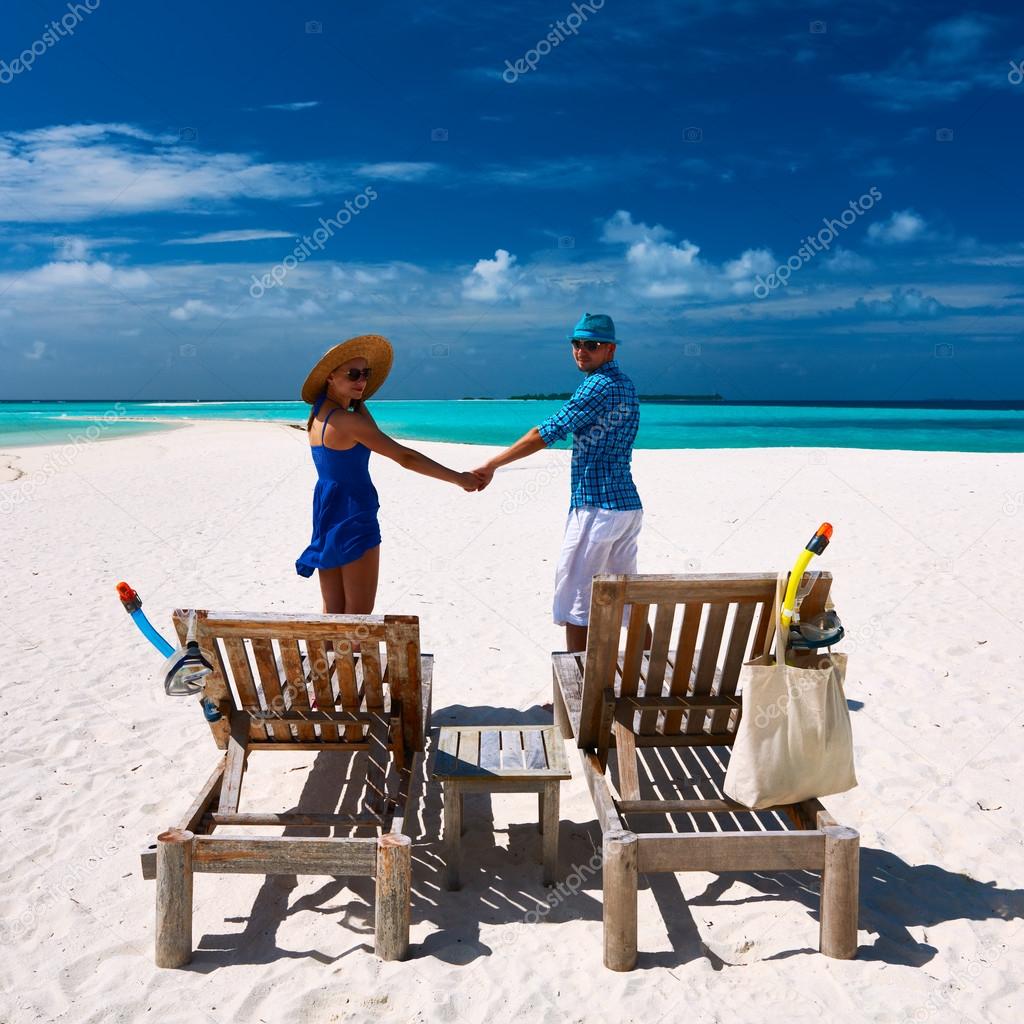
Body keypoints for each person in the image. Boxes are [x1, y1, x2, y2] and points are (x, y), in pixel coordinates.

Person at [472, 313, 643, 652]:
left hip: (597, 507)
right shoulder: (625, 384)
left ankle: (578, 694)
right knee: (628, 601)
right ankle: (650, 680)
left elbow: (545, 432)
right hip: (627, 508)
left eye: (591, 345)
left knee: (577, 599)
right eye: (576, 343)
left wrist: (492, 464)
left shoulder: (598, 385)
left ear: (609, 349)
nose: (582, 350)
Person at [296, 334, 479, 613]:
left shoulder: (320, 414)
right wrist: (459, 478)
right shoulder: (348, 422)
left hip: (326, 508)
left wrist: (355, 397)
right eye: (353, 374)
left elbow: (373, 432)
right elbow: (405, 457)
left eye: (365, 374)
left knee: (333, 610)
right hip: (353, 511)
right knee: (359, 614)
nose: (361, 381)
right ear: (330, 377)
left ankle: (330, 656)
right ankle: (348, 657)